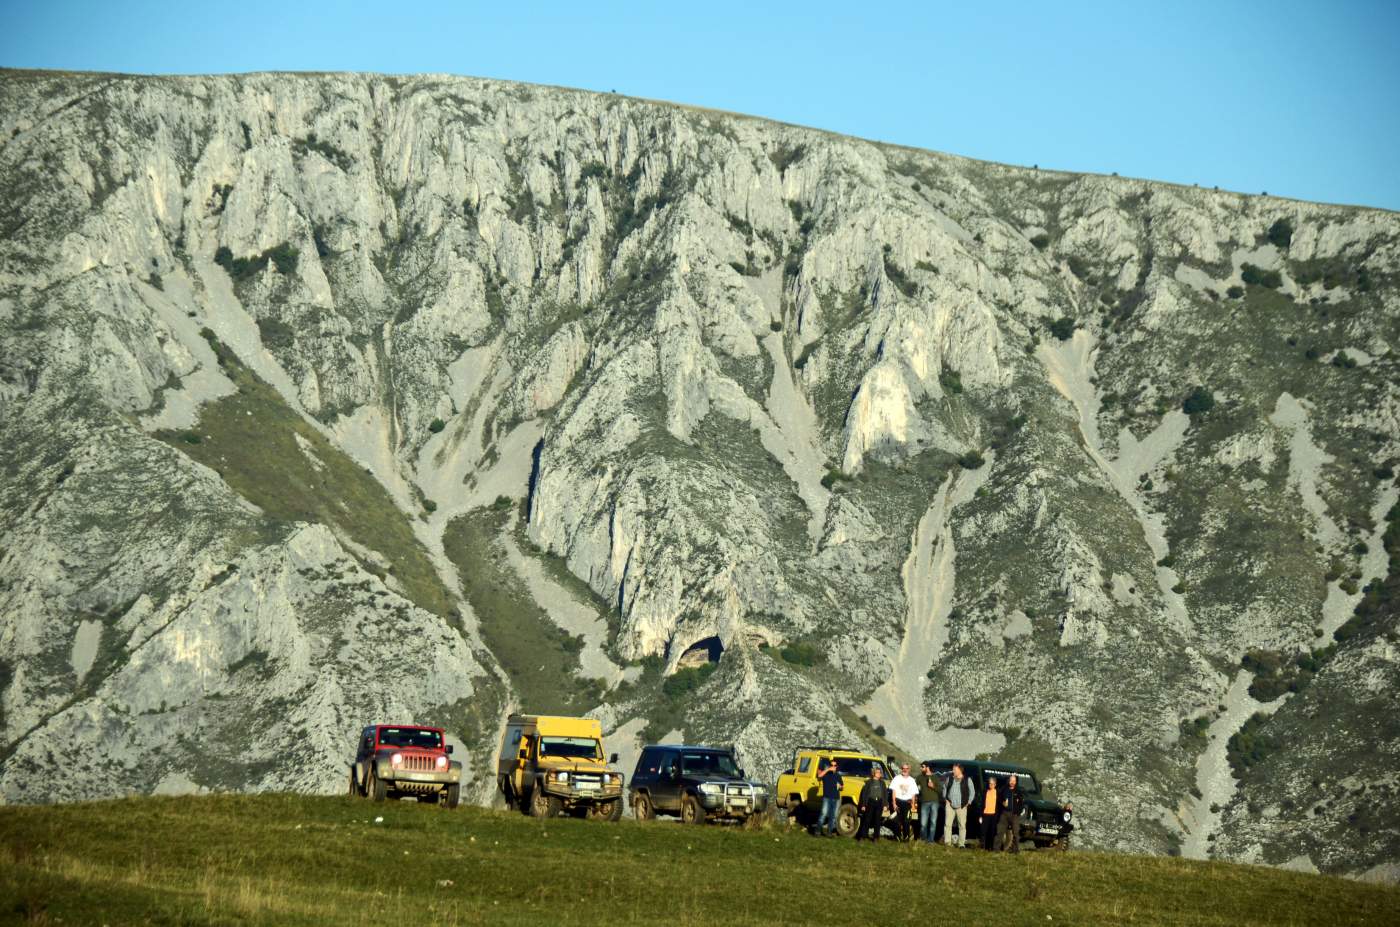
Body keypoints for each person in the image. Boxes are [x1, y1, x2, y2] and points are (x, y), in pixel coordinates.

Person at [854, 764, 889, 842]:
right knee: (867, 820)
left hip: (879, 803)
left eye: (880, 773)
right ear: (873, 773)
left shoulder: (882, 783)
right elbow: (864, 794)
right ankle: (862, 836)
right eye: (877, 772)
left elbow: (885, 794)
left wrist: (885, 804)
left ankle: (876, 837)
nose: (879, 774)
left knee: (877, 821)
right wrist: (863, 805)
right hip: (870, 802)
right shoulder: (869, 782)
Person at [943, 763, 974, 847]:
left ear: (960, 770)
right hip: (950, 805)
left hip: (962, 806)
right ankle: (947, 843)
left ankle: (961, 844)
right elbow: (945, 788)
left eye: (954, 769)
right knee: (947, 824)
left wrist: (969, 802)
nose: (953, 771)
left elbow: (972, 792)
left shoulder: (967, 779)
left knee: (962, 825)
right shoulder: (949, 778)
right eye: (953, 769)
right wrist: (945, 799)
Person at [814, 757, 843, 837]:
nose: (833, 766)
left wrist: (840, 787)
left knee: (833, 816)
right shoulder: (826, 774)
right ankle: (818, 831)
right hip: (827, 797)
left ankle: (829, 832)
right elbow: (819, 775)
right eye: (831, 765)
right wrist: (828, 769)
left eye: (835, 765)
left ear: (837, 767)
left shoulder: (838, 776)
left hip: (836, 798)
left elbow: (842, 786)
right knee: (823, 814)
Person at [996, 773, 1025, 853]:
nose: (1012, 782)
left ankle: (1015, 850)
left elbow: (1022, 804)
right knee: (1000, 831)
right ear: (1009, 781)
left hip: (1014, 815)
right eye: (1011, 780)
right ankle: (996, 849)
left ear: (1016, 782)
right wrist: (1002, 803)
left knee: (1016, 833)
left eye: (1014, 781)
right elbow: (999, 799)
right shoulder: (1004, 789)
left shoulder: (1018, 791)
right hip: (1004, 814)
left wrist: (1017, 812)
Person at [889, 763, 918, 842]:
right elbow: (893, 792)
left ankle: (906, 837)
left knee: (906, 821)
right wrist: (894, 803)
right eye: (903, 768)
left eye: (906, 768)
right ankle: (897, 836)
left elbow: (913, 793)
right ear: (901, 769)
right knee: (897, 821)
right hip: (898, 802)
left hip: (907, 803)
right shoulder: (896, 778)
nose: (904, 770)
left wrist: (912, 805)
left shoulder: (912, 780)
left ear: (909, 769)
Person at [917, 762, 942, 844]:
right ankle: (923, 839)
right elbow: (913, 787)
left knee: (933, 822)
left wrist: (933, 786)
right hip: (924, 802)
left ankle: (931, 840)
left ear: (927, 767)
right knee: (923, 823)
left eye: (922, 767)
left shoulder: (935, 777)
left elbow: (940, 790)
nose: (921, 768)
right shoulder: (920, 777)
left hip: (934, 803)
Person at [980, 776, 1000, 850]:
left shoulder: (998, 792)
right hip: (985, 814)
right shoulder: (985, 792)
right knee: (983, 831)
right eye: (989, 783)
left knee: (991, 832)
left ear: (995, 784)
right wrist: (980, 815)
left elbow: (999, 804)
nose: (990, 785)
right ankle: (982, 846)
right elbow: (982, 804)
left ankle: (990, 847)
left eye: (992, 784)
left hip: (993, 815)